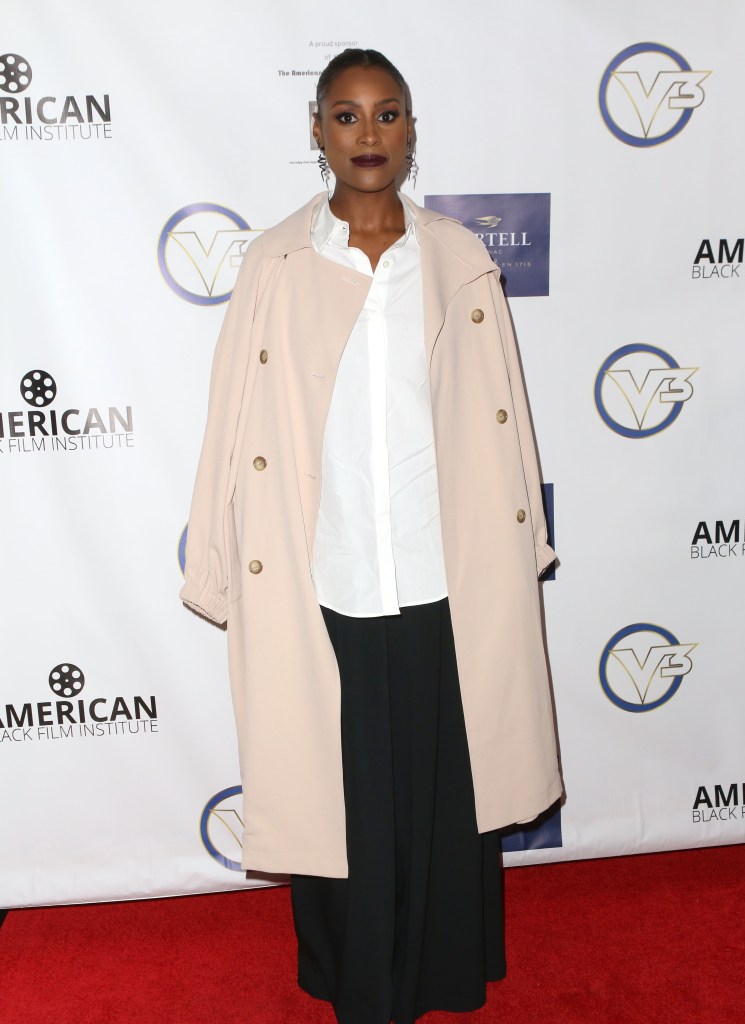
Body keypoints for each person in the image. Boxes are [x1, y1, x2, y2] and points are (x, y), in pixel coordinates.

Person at [181, 47, 561, 1024]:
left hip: (444, 568)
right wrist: (213, 556)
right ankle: (356, 976)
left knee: (442, 787)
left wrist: (524, 542)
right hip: (326, 571)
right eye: (345, 116)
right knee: (335, 793)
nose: (367, 136)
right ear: (315, 131)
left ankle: (440, 970)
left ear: (409, 131)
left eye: (386, 114)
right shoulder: (272, 261)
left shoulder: (458, 256)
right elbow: (229, 418)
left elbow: (505, 413)